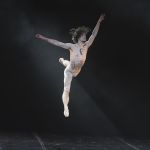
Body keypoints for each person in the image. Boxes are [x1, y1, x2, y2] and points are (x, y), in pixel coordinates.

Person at [35, 14, 105, 117]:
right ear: (78, 37)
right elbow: (57, 43)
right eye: (83, 35)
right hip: (69, 71)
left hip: (77, 70)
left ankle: (63, 60)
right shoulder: (71, 46)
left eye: (85, 35)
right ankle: (65, 107)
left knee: (67, 63)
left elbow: (94, 34)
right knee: (67, 89)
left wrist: (99, 21)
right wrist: (43, 37)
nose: (85, 36)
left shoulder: (87, 45)